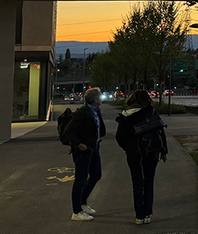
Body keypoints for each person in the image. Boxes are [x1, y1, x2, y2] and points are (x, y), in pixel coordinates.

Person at [115, 90, 168, 225]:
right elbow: (160, 131)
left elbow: (119, 137)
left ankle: (139, 216)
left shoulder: (125, 117)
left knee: (137, 184)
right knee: (149, 182)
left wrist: (128, 148)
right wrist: (164, 151)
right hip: (151, 152)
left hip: (134, 154)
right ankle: (148, 213)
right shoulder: (150, 113)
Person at [63, 87, 106, 222]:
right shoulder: (83, 112)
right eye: (100, 97)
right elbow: (68, 131)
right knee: (80, 179)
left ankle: (82, 202)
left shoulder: (95, 111)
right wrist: (79, 144)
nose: (102, 99)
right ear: (94, 99)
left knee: (96, 175)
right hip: (84, 150)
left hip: (94, 148)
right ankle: (76, 211)